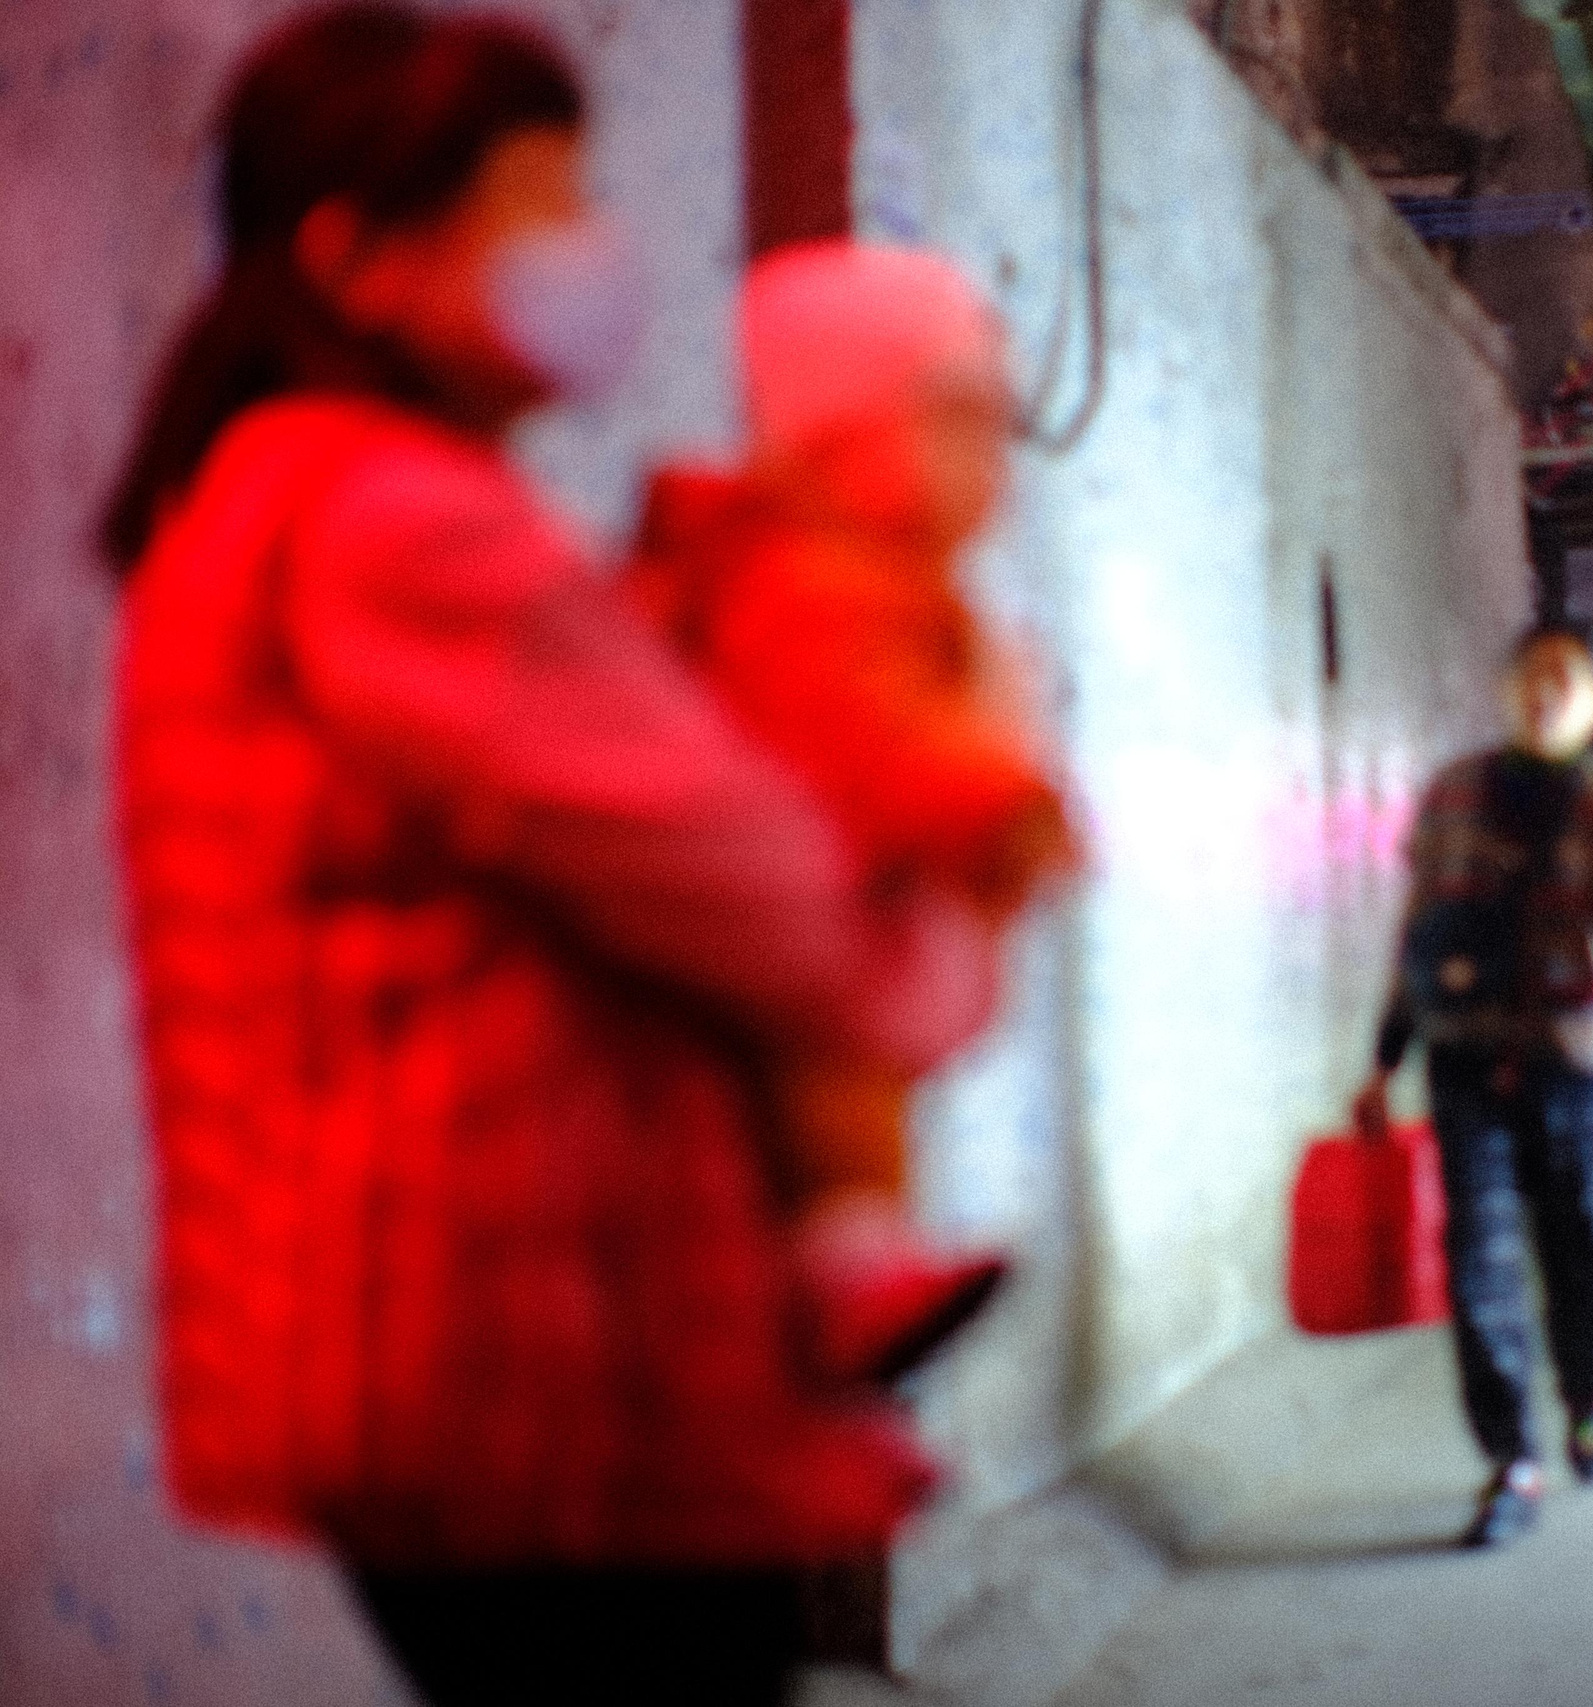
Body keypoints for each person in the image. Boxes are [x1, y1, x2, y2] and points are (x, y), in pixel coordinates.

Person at [105, 9, 998, 1702]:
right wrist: (920, 955)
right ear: (357, 257)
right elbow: (731, 863)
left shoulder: (292, 500)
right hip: (516, 1365)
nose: (592, 249)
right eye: (538, 205)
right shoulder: (389, 520)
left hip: (453, 1342)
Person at [633, 240, 1077, 1379]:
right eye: (958, 417)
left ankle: (855, 1249)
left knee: (846, 1090)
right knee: (823, 1076)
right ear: (854, 430)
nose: (994, 461)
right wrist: (1001, 798)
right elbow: (857, 744)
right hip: (805, 934)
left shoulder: (877, 584)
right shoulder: (808, 583)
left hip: (839, 925)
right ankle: (848, 1259)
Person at [1351, 624, 1593, 1548]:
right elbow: (1420, 934)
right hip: (1466, 1064)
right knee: (1481, 1269)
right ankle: (1512, 1459)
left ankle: (1587, 1389)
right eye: (1532, 673)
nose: (1547, 690)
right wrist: (1385, 1057)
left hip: (1580, 1067)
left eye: (1569, 677)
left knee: (1584, 1256)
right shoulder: (1453, 794)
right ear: (1507, 687)